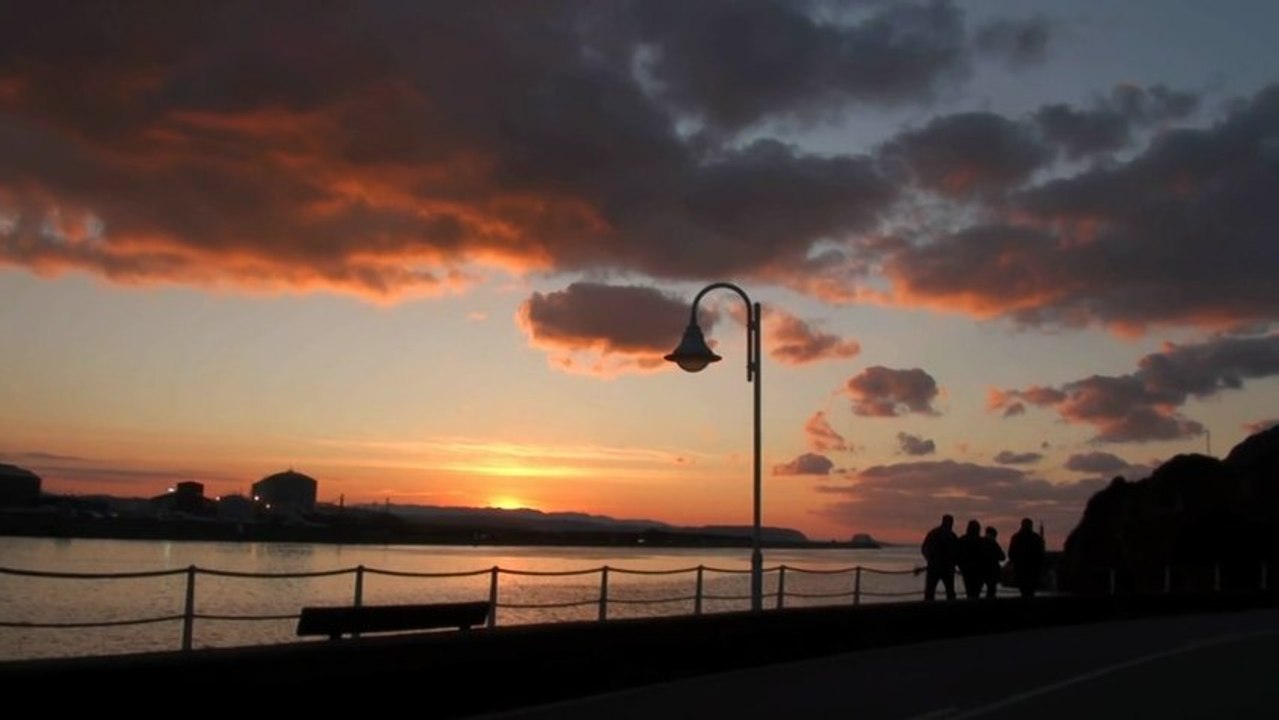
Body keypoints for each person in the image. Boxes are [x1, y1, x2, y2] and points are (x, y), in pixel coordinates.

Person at [920, 514, 959, 601]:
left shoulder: (933, 533)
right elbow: (957, 552)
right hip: (947, 568)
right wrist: (954, 564)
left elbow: (924, 548)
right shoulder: (952, 536)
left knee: (930, 592)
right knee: (950, 592)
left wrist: (929, 559)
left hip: (934, 567)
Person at [1008, 517, 1046, 598]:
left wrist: (1015, 563)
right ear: (1031, 526)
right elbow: (1041, 554)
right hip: (1033, 569)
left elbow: (1011, 553)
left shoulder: (1016, 537)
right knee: (1031, 591)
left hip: (1020, 569)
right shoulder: (1036, 538)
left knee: (1023, 590)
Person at [956, 519, 985, 599]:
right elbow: (985, 557)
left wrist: (961, 566)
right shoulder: (982, 541)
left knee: (969, 591)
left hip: (967, 570)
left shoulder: (962, 540)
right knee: (976, 592)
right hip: (979, 570)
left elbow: (957, 555)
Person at [981, 526, 1006, 599]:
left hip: (981, 570)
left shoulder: (981, 542)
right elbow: (1002, 557)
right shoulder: (993, 544)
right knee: (991, 590)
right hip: (992, 571)